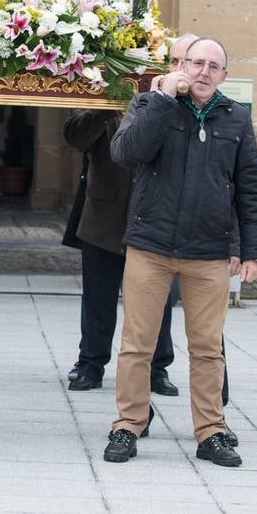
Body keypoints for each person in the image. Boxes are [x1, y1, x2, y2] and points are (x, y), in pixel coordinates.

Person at [104, 37, 257, 467]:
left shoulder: (236, 119)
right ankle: (128, 424)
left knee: (208, 348)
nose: (204, 72)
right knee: (137, 344)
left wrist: (253, 250)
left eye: (214, 66)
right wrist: (160, 99)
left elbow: (250, 188)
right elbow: (126, 152)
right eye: (197, 63)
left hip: (209, 252)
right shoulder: (149, 105)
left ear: (224, 76)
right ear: (181, 66)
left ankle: (211, 431)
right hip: (151, 246)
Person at [63, 109, 179, 403]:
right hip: (104, 217)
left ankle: (156, 367)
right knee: (98, 296)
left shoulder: (168, 100)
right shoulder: (102, 85)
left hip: (154, 217)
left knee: (158, 298)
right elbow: (75, 137)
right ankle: (90, 363)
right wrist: (102, 108)